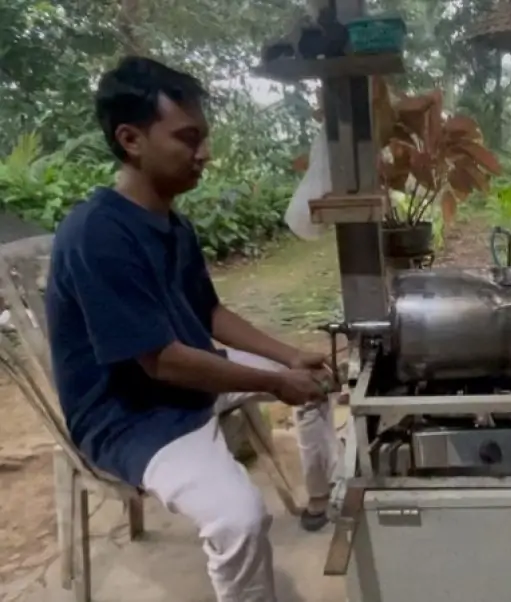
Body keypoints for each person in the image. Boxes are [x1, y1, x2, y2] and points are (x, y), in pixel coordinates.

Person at [45, 56, 340, 602]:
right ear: (131, 139)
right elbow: (159, 361)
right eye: (188, 138)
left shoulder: (173, 223)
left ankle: (323, 504)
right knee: (240, 519)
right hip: (132, 415)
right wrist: (274, 383)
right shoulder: (97, 234)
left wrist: (288, 358)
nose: (204, 154)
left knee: (314, 381)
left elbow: (209, 313)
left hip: (185, 379)